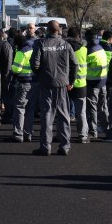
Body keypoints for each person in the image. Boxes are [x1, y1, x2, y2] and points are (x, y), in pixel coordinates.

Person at [30, 20, 77, 156]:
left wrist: (41, 76)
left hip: (47, 84)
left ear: (47, 30)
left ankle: (45, 147)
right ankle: (64, 146)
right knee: (64, 116)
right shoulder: (66, 45)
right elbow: (75, 64)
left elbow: (35, 64)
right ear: (59, 30)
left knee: (47, 115)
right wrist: (71, 81)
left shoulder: (41, 44)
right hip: (62, 84)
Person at [10, 34, 37, 143]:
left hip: (24, 82)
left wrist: (11, 68)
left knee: (20, 108)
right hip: (34, 82)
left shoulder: (21, 52)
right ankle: (28, 133)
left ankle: (18, 134)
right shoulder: (33, 49)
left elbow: (16, 69)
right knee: (30, 109)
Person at [65, 27, 88, 143]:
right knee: (81, 112)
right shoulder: (84, 50)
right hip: (81, 84)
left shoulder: (63, 48)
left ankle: (63, 136)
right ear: (79, 36)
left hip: (66, 84)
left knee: (64, 112)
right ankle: (83, 136)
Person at [85, 29, 108, 139]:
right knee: (103, 106)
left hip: (92, 82)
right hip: (103, 81)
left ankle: (93, 131)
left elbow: (83, 66)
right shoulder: (101, 48)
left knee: (92, 107)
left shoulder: (89, 51)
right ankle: (108, 129)